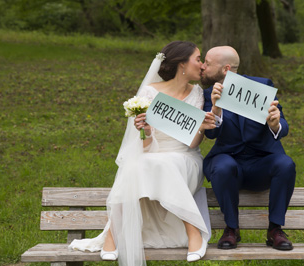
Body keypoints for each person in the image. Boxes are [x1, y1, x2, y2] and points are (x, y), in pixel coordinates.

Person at [68, 41, 216, 265]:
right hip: (153, 156)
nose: (202, 65)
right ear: (181, 64)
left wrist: (201, 129)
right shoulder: (150, 92)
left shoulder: (197, 93)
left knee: (160, 163)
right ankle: (112, 234)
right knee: (137, 163)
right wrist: (145, 131)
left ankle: (193, 230)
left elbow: (193, 143)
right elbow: (145, 146)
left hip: (185, 159)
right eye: (198, 59)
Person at [200, 46, 296, 251]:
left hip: (261, 162)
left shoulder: (261, 86)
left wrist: (275, 124)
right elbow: (211, 134)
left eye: (207, 63)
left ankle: (275, 229)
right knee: (223, 166)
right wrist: (215, 109)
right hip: (228, 160)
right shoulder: (209, 93)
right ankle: (231, 229)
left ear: (225, 69)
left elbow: (283, 125)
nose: (202, 66)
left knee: (286, 163)